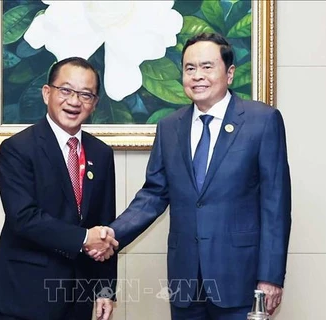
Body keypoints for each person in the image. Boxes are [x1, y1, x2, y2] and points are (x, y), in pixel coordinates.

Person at [93, 33, 291, 319]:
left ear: (230, 73)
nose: (197, 76)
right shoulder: (170, 127)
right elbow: (153, 195)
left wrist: (271, 278)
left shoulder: (262, 121)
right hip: (186, 280)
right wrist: (113, 233)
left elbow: (276, 206)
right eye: (189, 68)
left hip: (240, 279)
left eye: (207, 67)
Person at [0, 57, 119, 320]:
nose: (74, 101)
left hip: (77, 298)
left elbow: (104, 227)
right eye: (65, 90)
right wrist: (82, 239)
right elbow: (23, 218)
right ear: (47, 93)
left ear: (95, 103)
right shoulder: (18, 148)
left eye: (85, 94)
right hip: (24, 296)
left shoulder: (101, 153)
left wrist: (105, 290)